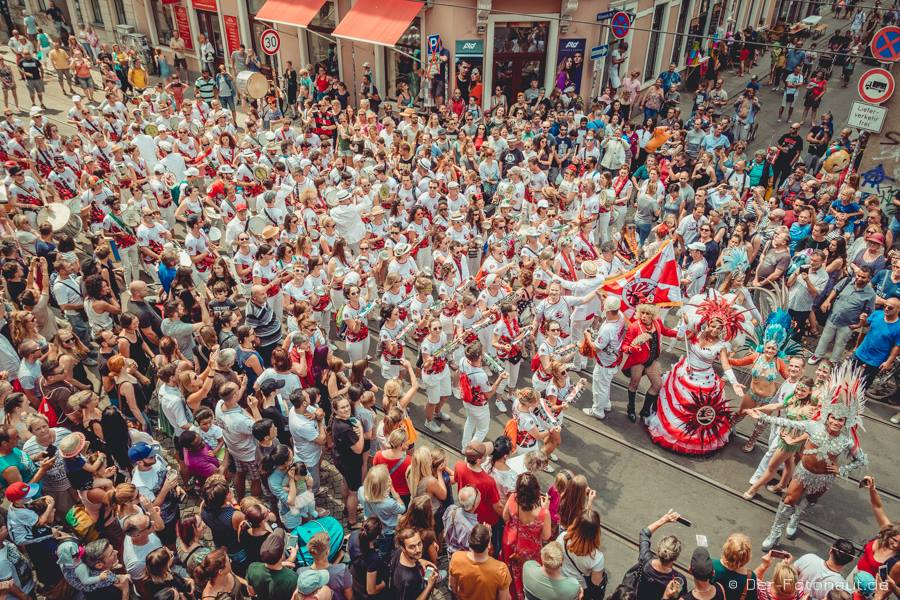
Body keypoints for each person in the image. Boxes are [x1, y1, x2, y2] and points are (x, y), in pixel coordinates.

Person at [449, 523, 513, 600]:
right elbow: (504, 598)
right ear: (488, 544)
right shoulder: (501, 569)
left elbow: (452, 585)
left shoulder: (456, 558)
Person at [390, 528, 439, 600]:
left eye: (419, 544)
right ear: (403, 548)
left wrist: (420, 560)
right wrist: (429, 585)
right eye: (412, 547)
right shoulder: (408, 579)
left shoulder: (399, 552)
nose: (418, 550)